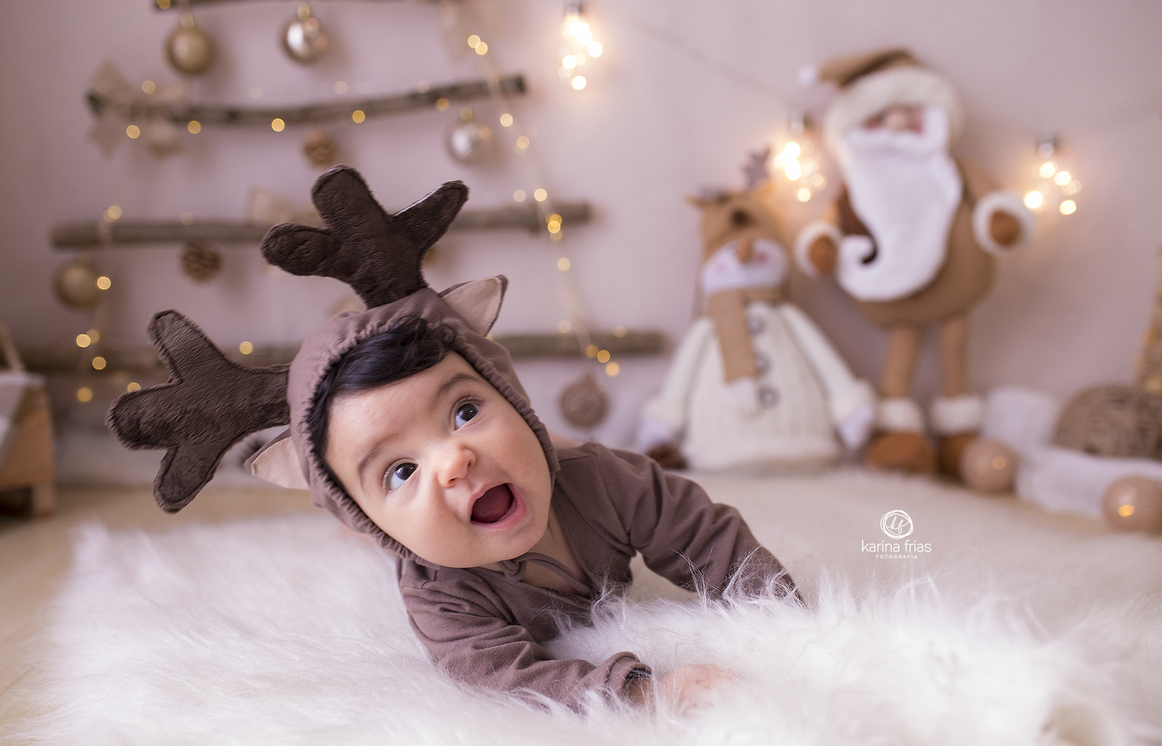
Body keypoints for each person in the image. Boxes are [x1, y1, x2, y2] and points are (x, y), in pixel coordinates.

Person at [107, 166, 799, 710]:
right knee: (374, 532)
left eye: (466, 411)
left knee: (544, 459)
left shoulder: (605, 480)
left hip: (546, 457)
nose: (454, 459)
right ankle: (370, 507)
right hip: (425, 527)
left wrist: (782, 621)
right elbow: (499, 677)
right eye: (399, 472)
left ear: (511, 396)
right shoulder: (438, 592)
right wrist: (643, 694)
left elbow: (705, 534)